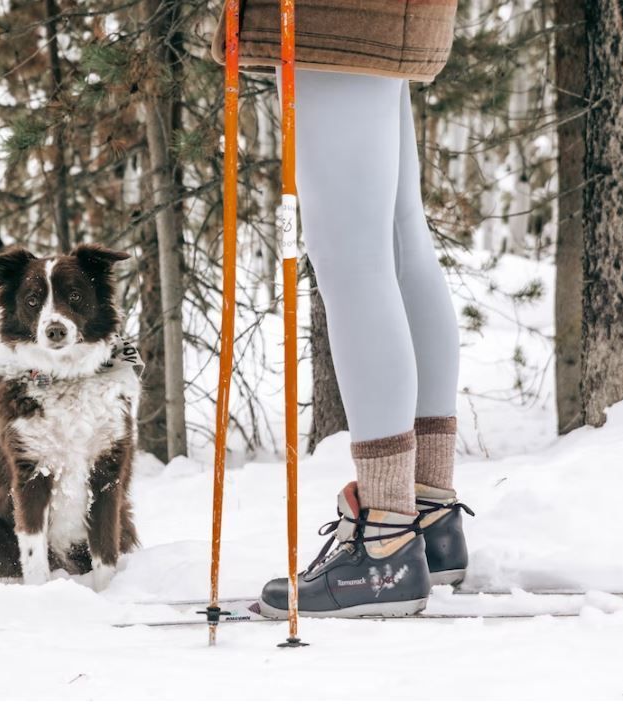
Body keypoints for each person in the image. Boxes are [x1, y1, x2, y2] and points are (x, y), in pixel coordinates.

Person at [212, 1, 473, 617]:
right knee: (397, 237)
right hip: (382, 17)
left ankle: (384, 540)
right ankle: (425, 511)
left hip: (334, 18)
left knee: (354, 256)